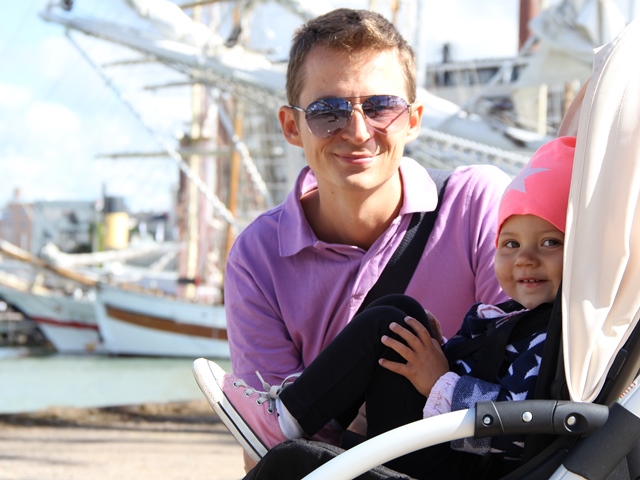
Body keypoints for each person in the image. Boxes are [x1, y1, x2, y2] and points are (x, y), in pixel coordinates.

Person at [222, 7, 510, 464]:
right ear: (292, 126)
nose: (358, 132)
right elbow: (270, 452)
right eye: (328, 112)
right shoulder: (258, 258)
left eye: (380, 107)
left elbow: (520, 373)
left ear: (412, 120)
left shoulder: (476, 206)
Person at [196, 135, 576, 480]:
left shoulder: (553, 338)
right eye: (510, 244)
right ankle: (295, 420)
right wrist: (441, 349)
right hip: (437, 442)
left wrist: (440, 381)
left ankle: (284, 423)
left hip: (460, 463)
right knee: (400, 317)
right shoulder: (509, 316)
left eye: (549, 243)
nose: (525, 258)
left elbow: (520, 430)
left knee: (387, 324)